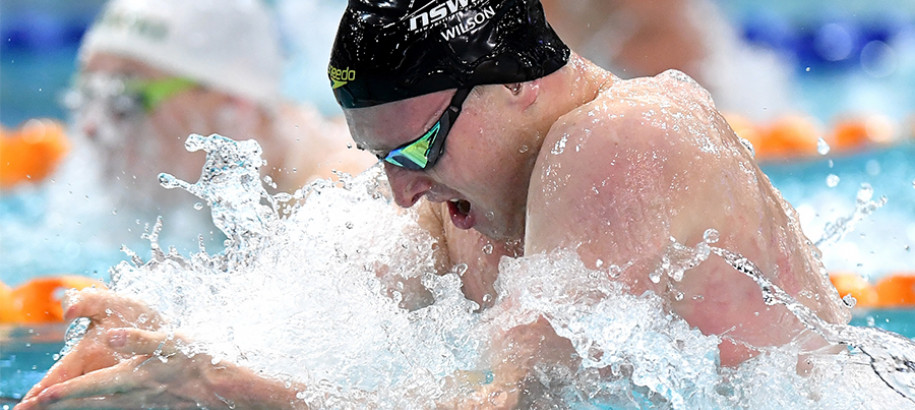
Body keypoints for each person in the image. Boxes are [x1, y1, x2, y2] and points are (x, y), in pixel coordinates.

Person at [18, 0, 850, 408]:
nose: (400, 189)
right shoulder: (459, 205)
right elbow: (342, 358)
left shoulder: (622, 136)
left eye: (414, 151)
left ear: (518, 82)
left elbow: (501, 401)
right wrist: (169, 351)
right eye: (380, 159)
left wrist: (214, 385)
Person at [66, 0, 374, 215]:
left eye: (122, 100)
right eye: (88, 95)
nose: (91, 127)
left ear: (233, 104)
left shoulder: (349, 195)